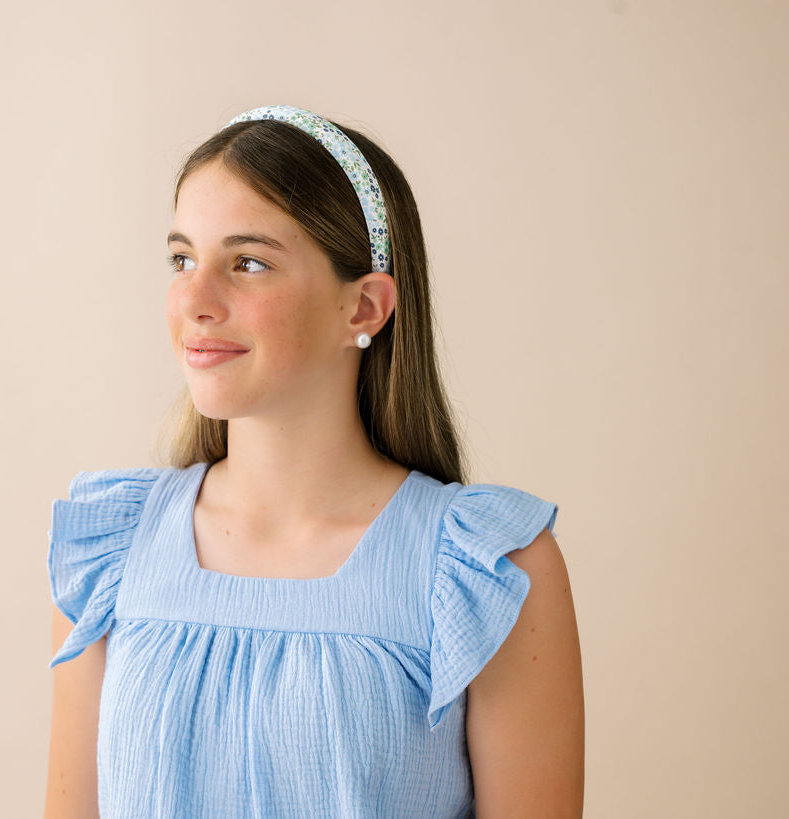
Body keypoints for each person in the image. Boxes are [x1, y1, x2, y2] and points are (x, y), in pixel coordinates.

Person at [43, 104, 584, 818]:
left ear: (364, 308)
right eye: (182, 260)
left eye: (249, 263)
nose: (194, 301)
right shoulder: (110, 555)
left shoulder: (489, 573)